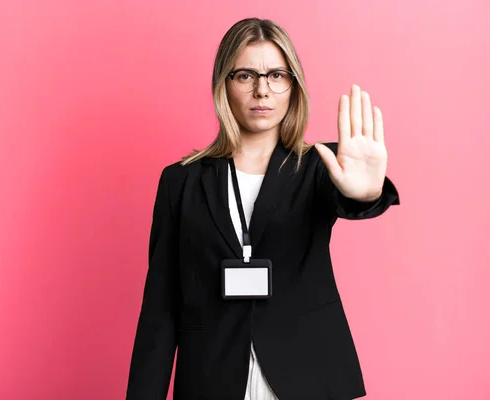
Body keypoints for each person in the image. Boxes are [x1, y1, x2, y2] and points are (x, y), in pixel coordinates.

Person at [125, 17, 400, 400]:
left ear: (293, 85)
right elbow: (160, 308)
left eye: (276, 75)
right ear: (224, 83)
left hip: (307, 376)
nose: (262, 90)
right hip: (211, 377)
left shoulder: (320, 168)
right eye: (245, 76)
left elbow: (352, 200)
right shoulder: (180, 182)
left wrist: (366, 193)